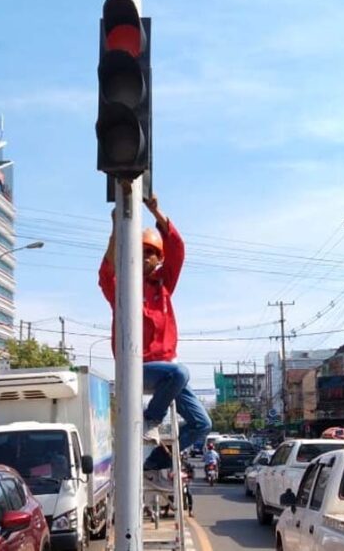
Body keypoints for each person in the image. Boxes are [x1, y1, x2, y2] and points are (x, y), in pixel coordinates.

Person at [98, 193, 212, 491]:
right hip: (137, 366)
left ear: (158, 258)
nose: (147, 257)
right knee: (180, 373)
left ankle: (151, 463)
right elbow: (106, 270)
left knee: (202, 425)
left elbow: (178, 249)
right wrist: (115, 229)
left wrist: (155, 211)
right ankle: (151, 419)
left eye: (152, 252)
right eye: (141, 251)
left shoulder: (163, 286)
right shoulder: (121, 289)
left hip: (167, 372)